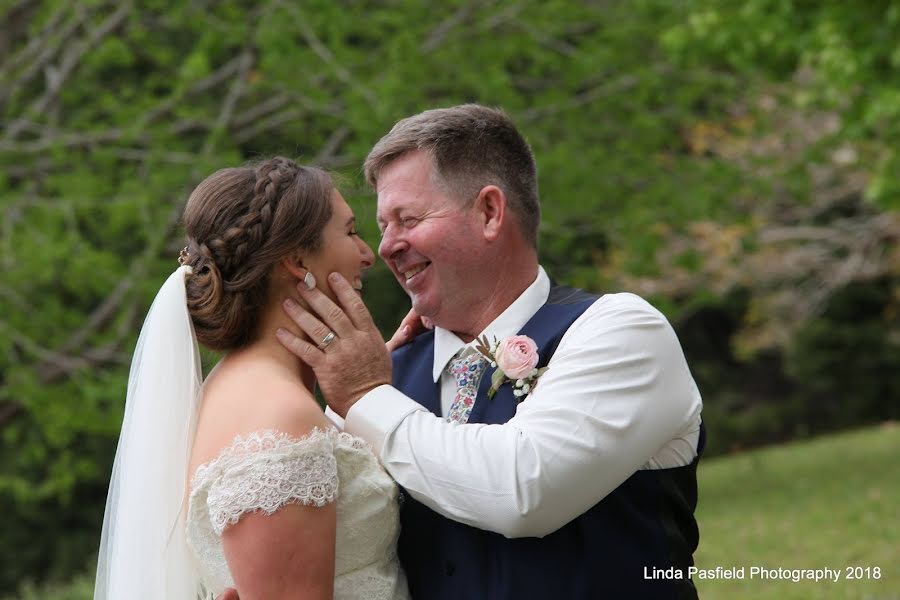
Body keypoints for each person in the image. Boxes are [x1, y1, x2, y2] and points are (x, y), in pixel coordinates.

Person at [275, 104, 705, 599]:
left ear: (489, 212)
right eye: (381, 225)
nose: (385, 247)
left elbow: (523, 491)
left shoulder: (621, 332)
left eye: (407, 219)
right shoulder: (386, 376)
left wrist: (365, 397)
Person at [94, 157, 413, 599]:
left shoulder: (223, 390)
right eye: (352, 231)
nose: (367, 255)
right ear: (296, 258)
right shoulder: (281, 417)